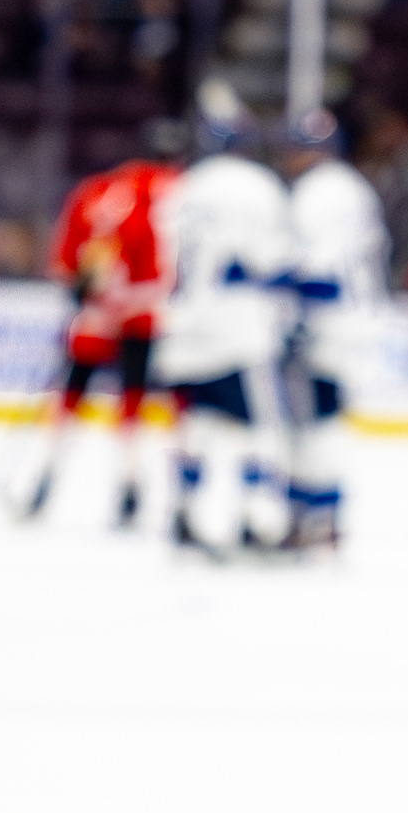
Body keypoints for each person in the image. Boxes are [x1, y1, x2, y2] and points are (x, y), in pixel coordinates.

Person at [153, 85, 294, 556]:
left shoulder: (186, 187)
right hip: (238, 328)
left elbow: (168, 257)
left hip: (185, 325)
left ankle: (184, 511)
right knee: (258, 428)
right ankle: (255, 519)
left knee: (197, 422)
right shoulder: (259, 187)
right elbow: (270, 259)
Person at [14, 135, 181, 524]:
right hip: (138, 316)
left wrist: (87, 293)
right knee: (131, 402)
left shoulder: (94, 191)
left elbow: (65, 261)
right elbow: (164, 271)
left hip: (96, 317)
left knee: (71, 398)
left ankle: (44, 482)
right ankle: (129, 489)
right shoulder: (166, 193)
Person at [275, 107, 389, 549]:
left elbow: (317, 271)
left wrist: (267, 282)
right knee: (325, 415)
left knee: (314, 420)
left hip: (327, 321)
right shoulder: (353, 187)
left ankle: (315, 516)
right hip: (354, 318)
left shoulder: (318, 192)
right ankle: (323, 514)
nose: (290, 157)